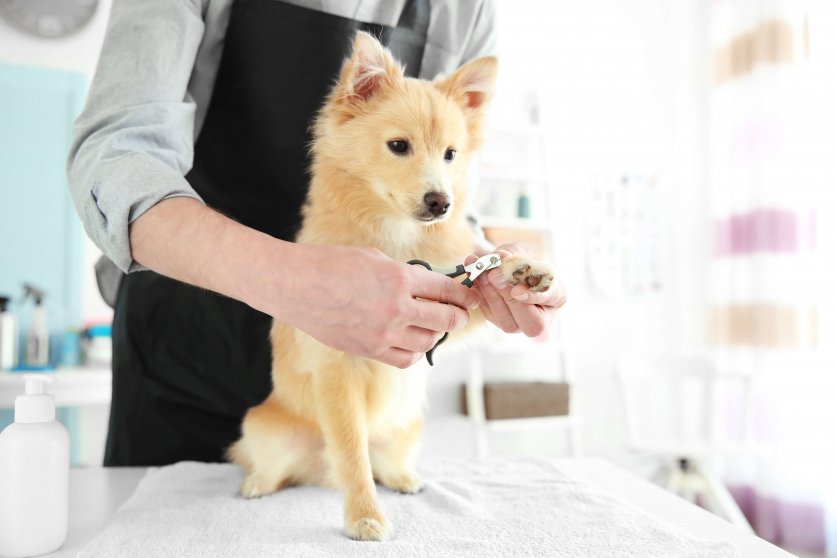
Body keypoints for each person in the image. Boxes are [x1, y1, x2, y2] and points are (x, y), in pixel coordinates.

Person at [67, 0, 566, 467]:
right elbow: (117, 157)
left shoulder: (466, 9)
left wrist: (488, 270)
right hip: (183, 350)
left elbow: (446, 197)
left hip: (351, 394)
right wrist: (291, 280)